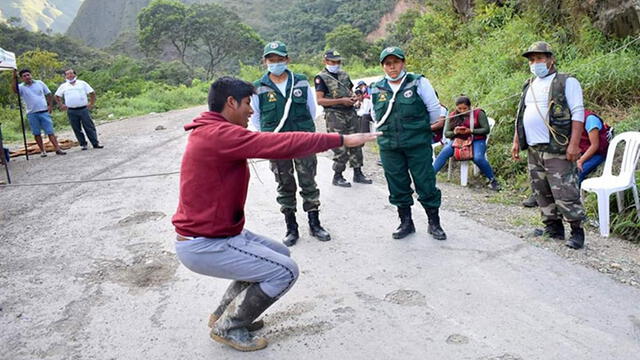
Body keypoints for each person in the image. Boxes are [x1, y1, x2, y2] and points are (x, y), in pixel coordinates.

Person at [172, 76, 377, 352]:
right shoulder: (219, 135)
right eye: (247, 103)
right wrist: (340, 139)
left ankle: (226, 313)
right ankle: (230, 326)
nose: (251, 111)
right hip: (206, 242)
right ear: (230, 103)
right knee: (286, 272)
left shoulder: (211, 130)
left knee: (280, 254)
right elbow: (279, 143)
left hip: (219, 233)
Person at [249, 41, 330, 247]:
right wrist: (268, 138)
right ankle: (291, 227)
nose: (276, 63)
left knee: (308, 181)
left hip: (303, 141)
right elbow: (256, 118)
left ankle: (315, 223)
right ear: (265, 62)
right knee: (284, 184)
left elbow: (312, 111)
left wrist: (304, 133)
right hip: (276, 144)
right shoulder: (258, 87)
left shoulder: (301, 81)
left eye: (280, 59)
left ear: (287, 60)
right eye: (271, 60)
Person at [511, 41, 586, 249]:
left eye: (540, 58)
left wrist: (574, 144)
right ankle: (553, 227)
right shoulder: (530, 85)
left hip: (557, 146)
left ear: (551, 59)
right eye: (532, 60)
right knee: (541, 189)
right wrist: (517, 141)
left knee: (565, 189)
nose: (536, 63)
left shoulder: (566, 82)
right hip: (534, 148)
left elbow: (578, 114)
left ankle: (577, 231)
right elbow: (522, 114)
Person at [370, 46, 447, 241]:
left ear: (403, 63)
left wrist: (419, 129)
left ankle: (434, 223)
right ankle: (406, 222)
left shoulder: (418, 82)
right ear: (382, 67)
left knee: (425, 181)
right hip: (389, 146)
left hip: (417, 144)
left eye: (395, 62)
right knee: (397, 183)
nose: (392, 67)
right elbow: (374, 115)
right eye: (388, 64)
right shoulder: (377, 87)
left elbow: (434, 111)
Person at [315, 50, 372, 187]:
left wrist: (354, 98)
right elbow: (320, 100)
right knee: (339, 145)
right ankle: (338, 175)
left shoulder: (344, 75)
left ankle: (358, 173)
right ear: (325, 62)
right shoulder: (321, 78)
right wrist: (341, 101)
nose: (335, 64)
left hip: (350, 112)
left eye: (338, 61)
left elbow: (350, 91)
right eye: (332, 62)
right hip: (334, 115)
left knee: (357, 142)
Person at [433, 95, 500, 191]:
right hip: (459, 140)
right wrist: (455, 132)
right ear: (456, 107)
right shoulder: (453, 115)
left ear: (469, 107)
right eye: (459, 108)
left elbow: (486, 129)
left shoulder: (478, 113)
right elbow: (447, 133)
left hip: (477, 139)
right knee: (445, 152)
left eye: (465, 108)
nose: (462, 111)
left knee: (478, 158)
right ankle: (430, 177)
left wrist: (471, 131)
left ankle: (493, 180)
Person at [11, 69, 66, 157]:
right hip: (32, 113)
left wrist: (50, 106)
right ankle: (42, 151)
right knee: (36, 133)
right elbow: (14, 90)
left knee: (50, 131)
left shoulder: (39, 83)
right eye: (24, 76)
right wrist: (14, 77)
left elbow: (48, 94)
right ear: (22, 78)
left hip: (44, 111)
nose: (27, 77)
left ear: (31, 75)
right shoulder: (21, 87)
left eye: (28, 75)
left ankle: (57, 149)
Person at [55, 69, 103, 150]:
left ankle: (95, 143)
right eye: (67, 74)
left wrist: (91, 103)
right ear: (65, 76)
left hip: (83, 109)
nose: (69, 75)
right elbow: (56, 96)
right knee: (76, 128)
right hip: (71, 110)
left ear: (74, 74)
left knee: (89, 126)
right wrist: (61, 105)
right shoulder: (64, 86)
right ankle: (83, 144)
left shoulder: (82, 83)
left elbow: (92, 93)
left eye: (71, 73)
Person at [577, 111, 608, 183]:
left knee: (578, 172)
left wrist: (580, 161)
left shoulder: (590, 120)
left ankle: (576, 193)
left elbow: (594, 145)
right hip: (582, 150)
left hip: (597, 153)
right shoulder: (573, 119)